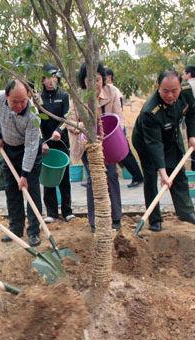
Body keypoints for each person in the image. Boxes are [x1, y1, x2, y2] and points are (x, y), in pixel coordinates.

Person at [132, 69, 195, 231]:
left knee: (178, 173)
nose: (170, 95)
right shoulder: (150, 111)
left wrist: (192, 136)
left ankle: (186, 212)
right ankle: (155, 219)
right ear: (158, 87)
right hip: (146, 141)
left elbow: (193, 112)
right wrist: (163, 173)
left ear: (180, 87)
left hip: (171, 134)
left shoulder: (186, 91)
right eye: (165, 91)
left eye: (174, 91)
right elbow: (154, 144)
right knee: (151, 177)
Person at [0, 79, 42, 246]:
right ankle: (16, 229)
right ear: (6, 96)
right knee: (11, 191)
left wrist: (25, 174)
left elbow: (31, 146)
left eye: (23, 101)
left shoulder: (33, 114)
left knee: (31, 192)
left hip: (29, 151)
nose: (19, 105)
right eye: (15, 102)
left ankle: (33, 231)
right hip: (8, 149)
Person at [78, 63, 123, 232]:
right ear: (83, 82)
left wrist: (111, 132)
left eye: (97, 79)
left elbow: (119, 117)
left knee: (111, 175)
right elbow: (71, 122)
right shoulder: (78, 96)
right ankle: (94, 221)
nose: (94, 84)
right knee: (93, 179)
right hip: (88, 145)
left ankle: (116, 217)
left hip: (109, 143)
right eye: (89, 80)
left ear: (103, 79)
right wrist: (89, 127)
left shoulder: (112, 92)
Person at [39, 64, 75, 223]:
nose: (50, 81)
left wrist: (59, 131)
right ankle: (51, 212)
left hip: (61, 141)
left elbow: (67, 117)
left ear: (58, 78)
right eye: (47, 77)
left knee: (64, 176)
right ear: (42, 79)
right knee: (48, 177)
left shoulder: (64, 96)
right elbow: (35, 122)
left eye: (54, 77)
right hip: (46, 144)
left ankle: (67, 211)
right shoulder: (38, 98)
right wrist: (42, 141)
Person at [105, 67, 144, 188]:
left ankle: (138, 176)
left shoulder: (114, 91)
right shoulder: (106, 90)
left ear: (109, 77)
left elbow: (118, 112)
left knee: (125, 153)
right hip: (113, 127)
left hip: (116, 128)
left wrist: (119, 128)